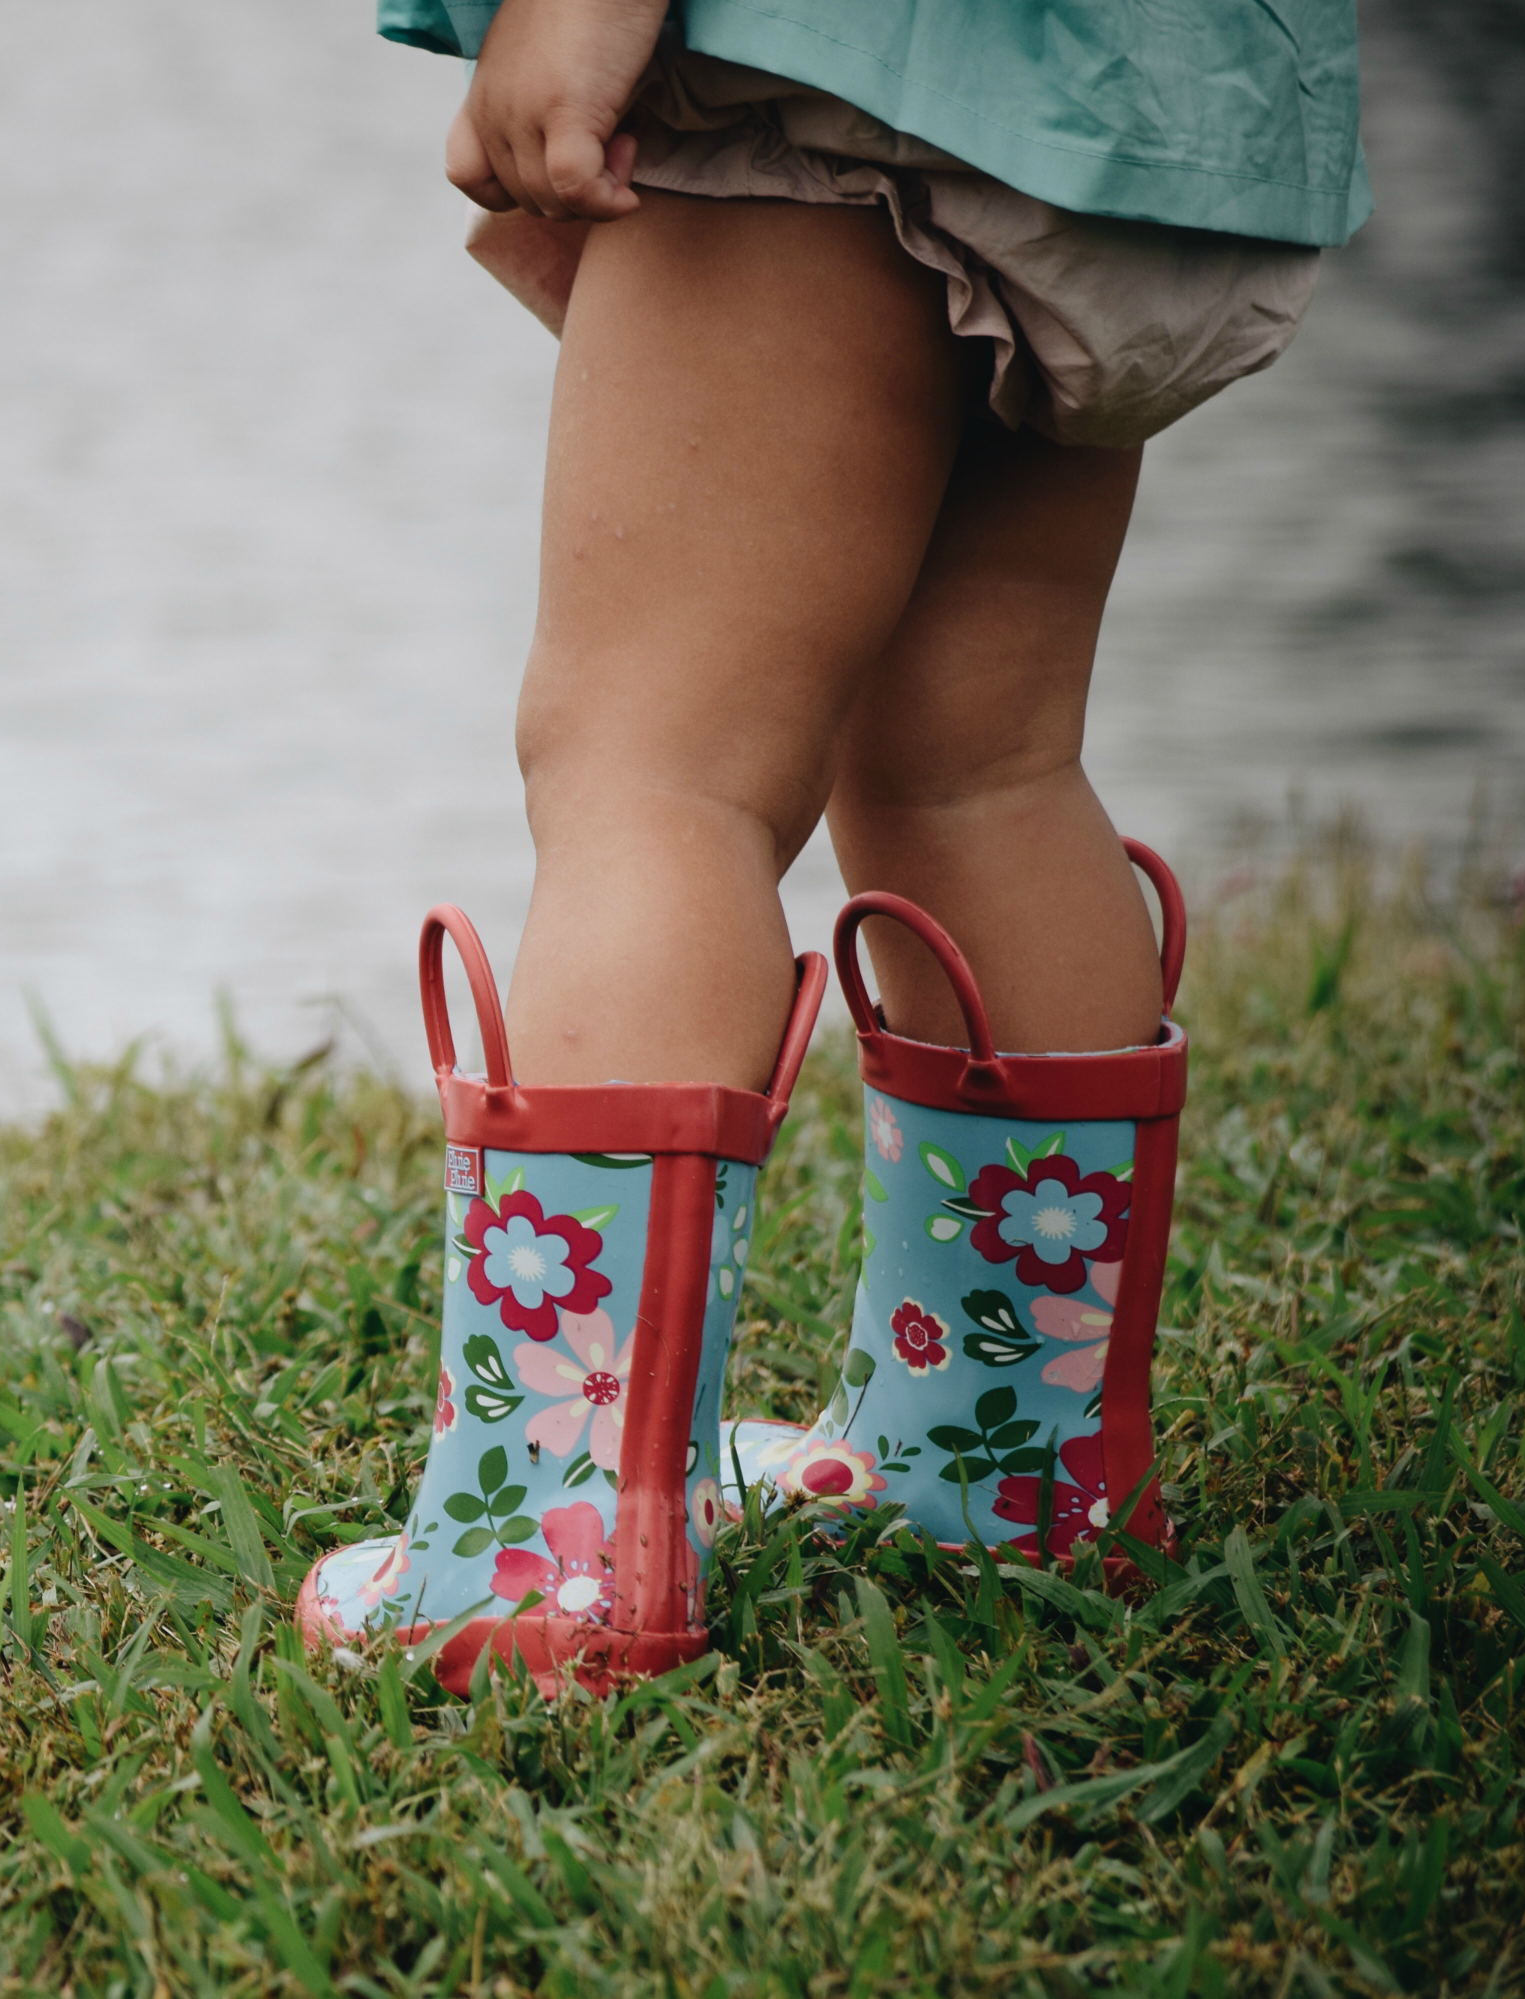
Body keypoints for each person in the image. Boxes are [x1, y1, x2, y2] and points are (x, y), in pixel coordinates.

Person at [294, 0, 1366, 1686]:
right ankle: (1002, 1467)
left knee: (651, 771)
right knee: (981, 767)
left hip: (842, 70)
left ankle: (538, 1554)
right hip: (1137, 112)